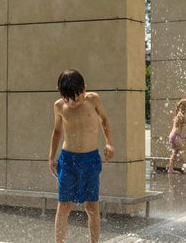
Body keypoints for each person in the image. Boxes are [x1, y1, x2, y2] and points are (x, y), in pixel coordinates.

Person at [48, 69, 115, 243]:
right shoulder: (59, 106)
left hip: (90, 160)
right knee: (64, 204)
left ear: (84, 89)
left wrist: (109, 142)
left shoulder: (94, 100)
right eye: (67, 98)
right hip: (68, 160)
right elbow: (56, 132)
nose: (72, 103)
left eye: (76, 98)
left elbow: (105, 121)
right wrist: (51, 157)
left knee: (91, 206)